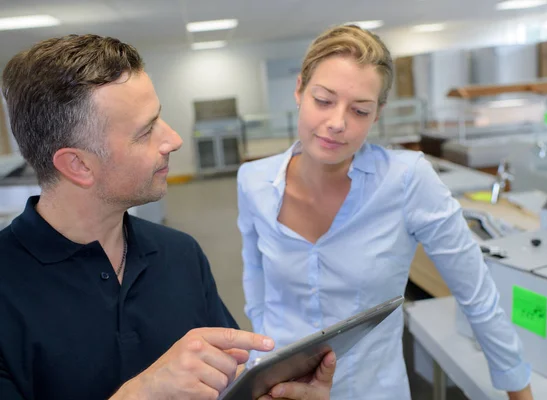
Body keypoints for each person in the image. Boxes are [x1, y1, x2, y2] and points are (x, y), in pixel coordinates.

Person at [0, 34, 336, 400]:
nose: (174, 139)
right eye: (146, 132)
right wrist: (141, 393)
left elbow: (229, 382)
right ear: (78, 164)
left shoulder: (180, 253)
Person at [237, 25, 535, 400]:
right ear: (299, 90)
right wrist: (261, 359)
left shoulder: (407, 180)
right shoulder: (253, 181)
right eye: (324, 100)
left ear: (378, 113)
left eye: (360, 110)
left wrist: (519, 392)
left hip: (371, 389)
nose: (337, 123)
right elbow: (255, 276)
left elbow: (476, 294)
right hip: (280, 392)